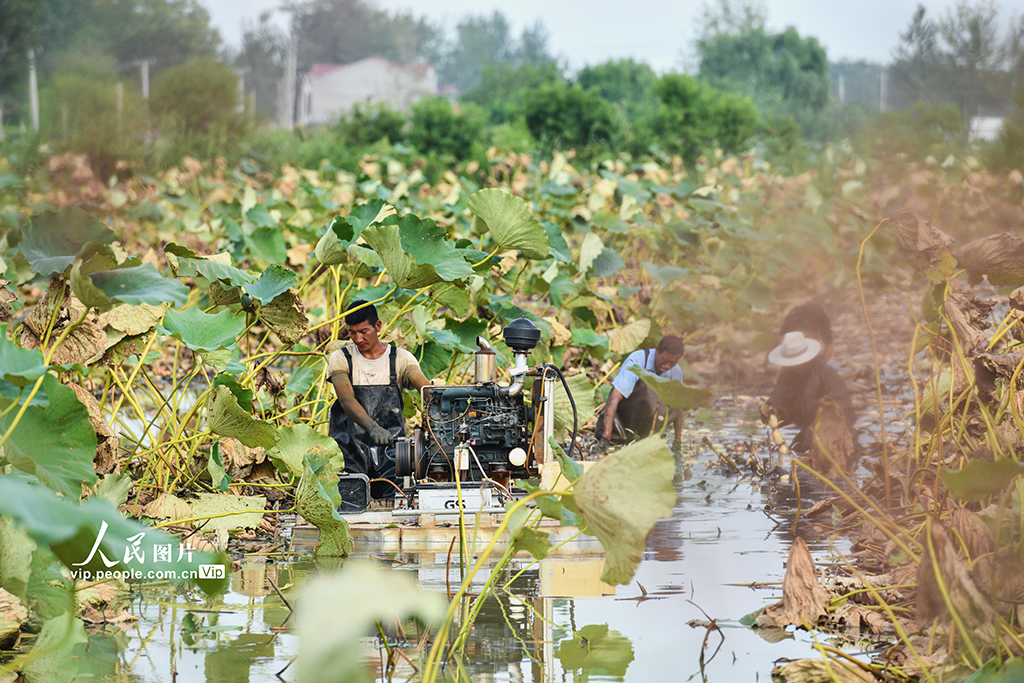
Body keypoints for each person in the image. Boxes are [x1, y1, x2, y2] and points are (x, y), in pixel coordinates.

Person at [327, 300, 430, 498]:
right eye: (352, 332)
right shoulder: (341, 358)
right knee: (351, 507)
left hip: (391, 456)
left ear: (378, 326)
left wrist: (441, 399)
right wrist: (372, 427)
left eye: (363, 331)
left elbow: (425, 388)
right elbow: (346, 399)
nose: (357, 339)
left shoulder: (401, 358)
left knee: (393, 508)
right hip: (348, 454)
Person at [762, 329, 856, 454]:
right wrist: (770, 412)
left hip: (836, 431)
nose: (796, 366)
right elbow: (781, 404)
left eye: (799, 362)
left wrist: (812, 430)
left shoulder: (825, 372)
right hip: (808, 433)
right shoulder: (786, 376)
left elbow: (839, 408)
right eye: (792, 363)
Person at [596, 335, 686, 451]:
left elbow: (678, 408)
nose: (667, 366)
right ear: (657, 350)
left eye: (672, 362)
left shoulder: (676, 371)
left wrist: (677, 441)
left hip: (647, 432)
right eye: (664, 360)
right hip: (622, 427)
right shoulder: (637, 361)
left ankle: (648, 438)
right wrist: (605, 439)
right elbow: (614, 399)